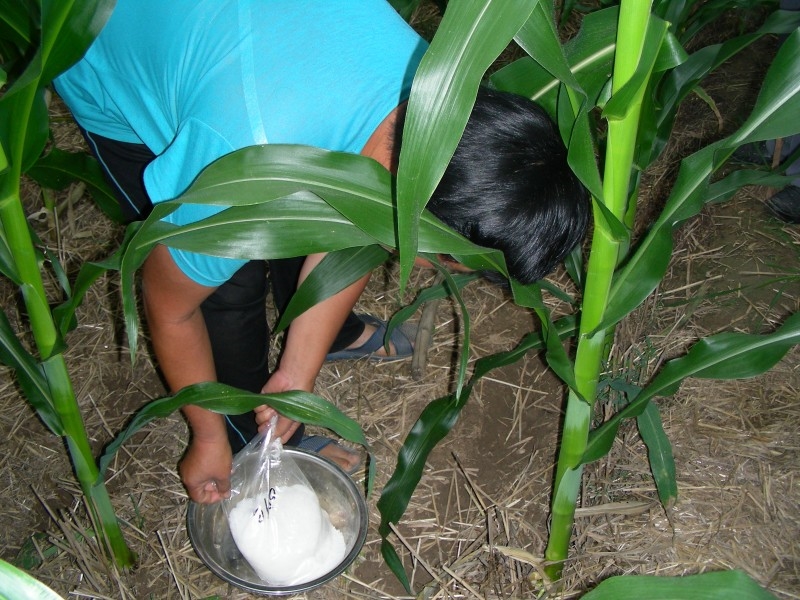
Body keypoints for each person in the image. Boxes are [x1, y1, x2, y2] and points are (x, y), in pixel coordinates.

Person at [54, 0, 590, 504]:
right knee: (227, 294)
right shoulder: (246, 156)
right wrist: (206, 434)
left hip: (240, 56)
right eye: (445, 261)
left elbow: (361, 216)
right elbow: (172, 307)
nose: (429, 272)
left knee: (303, 224)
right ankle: (249, 441)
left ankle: (322, 336)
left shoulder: (430, 95)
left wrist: (296, 373)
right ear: (420, 220)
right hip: (103, 40)